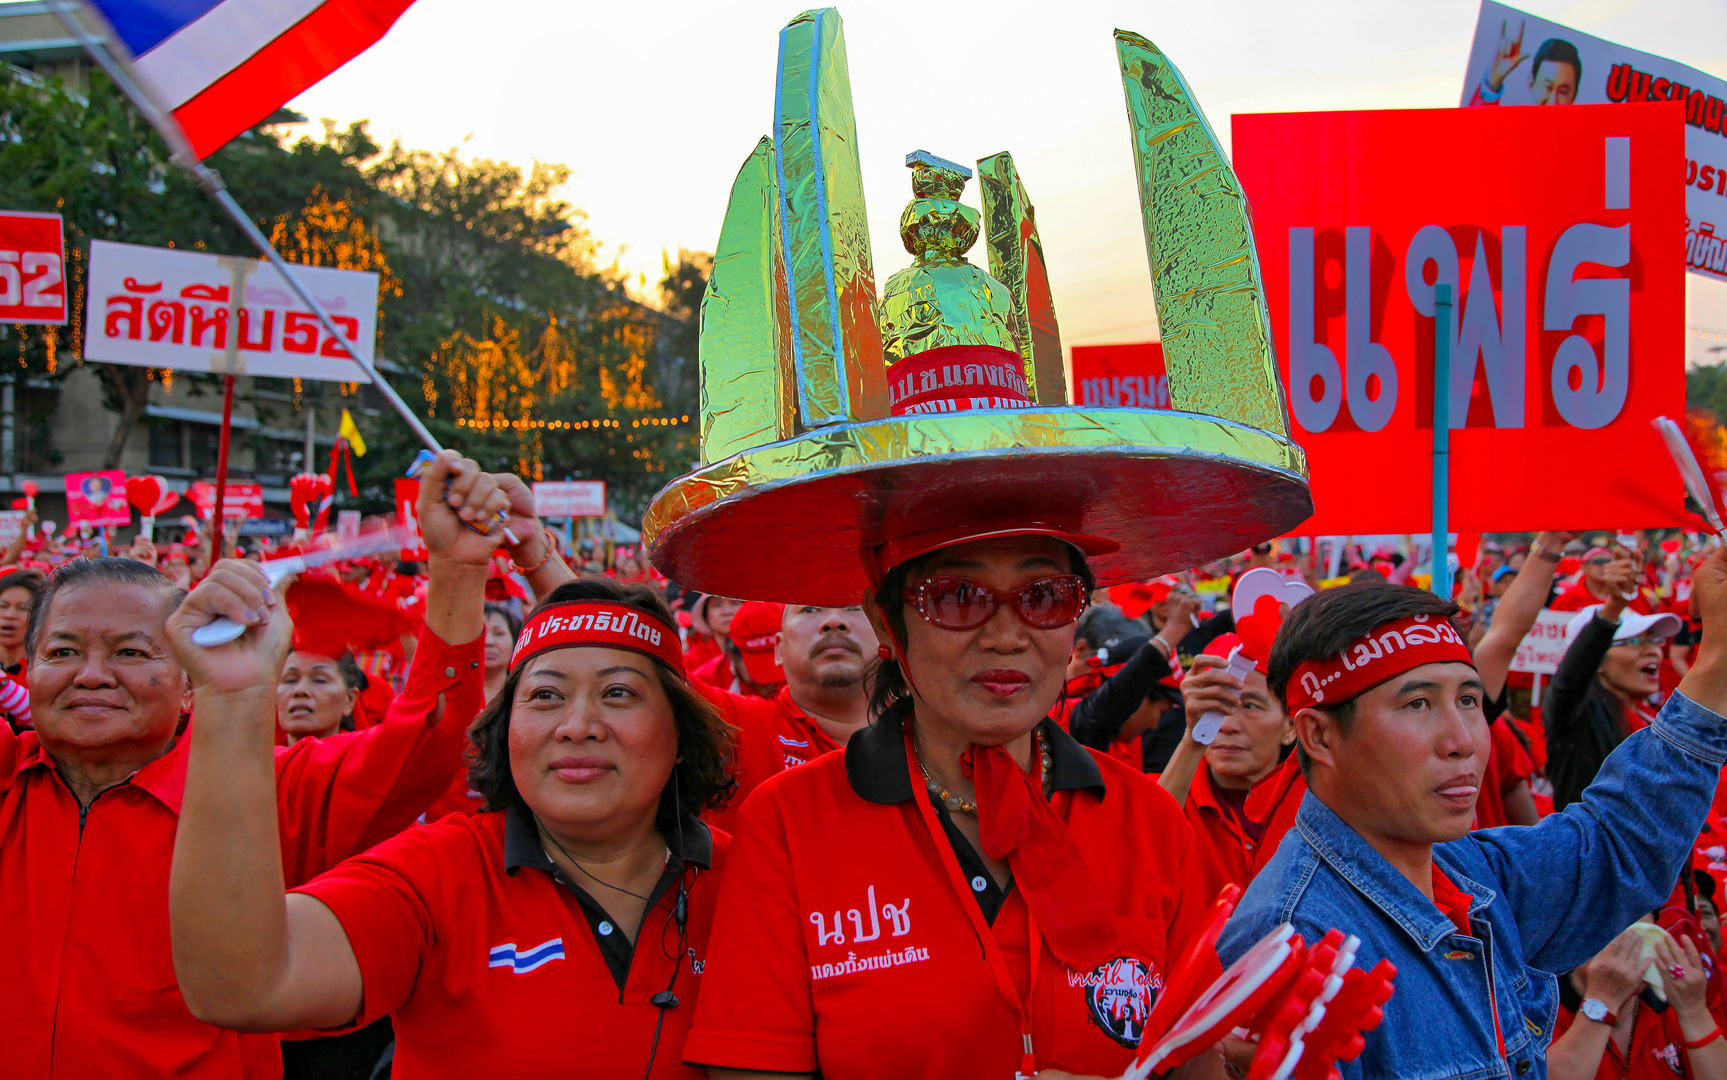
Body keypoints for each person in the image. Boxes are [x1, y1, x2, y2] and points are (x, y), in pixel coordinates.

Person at [0, 450, 501, 1079]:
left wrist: (456, 570)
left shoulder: (266, 790)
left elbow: (428, 741)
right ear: (26, 668)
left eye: (131, 651)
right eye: (63, 651)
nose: (92, 675)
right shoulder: (7, 780)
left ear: (188, 680)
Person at [685, 530, 1211, 1080]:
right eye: (958, 596)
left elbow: (1196, 1061)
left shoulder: (1151, 821)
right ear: (889, 624)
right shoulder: (788, 821)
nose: (1007, 637)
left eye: (1043, 597)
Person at [167, 574, 736, 1080]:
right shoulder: (433, 873)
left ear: (682, 734)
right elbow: (242, 984)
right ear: (504, 731)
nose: (577, 725)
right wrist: (233, 702)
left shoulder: (756, 878)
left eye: (618, 693)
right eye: (545, 695)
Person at [1219, 556, 1727, 1080]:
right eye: (1417, 704)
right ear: (1319, 736)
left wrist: (1717, 662)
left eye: (1468, 699)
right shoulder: (1293, 944)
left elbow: (1619, 845)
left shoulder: (1473, 872)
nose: (1463, 740)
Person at [1155, 630, 1295, 904]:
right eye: (1215, 705)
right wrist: (1193, 739)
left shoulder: (1319, 810)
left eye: (1251, 706)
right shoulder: (1165, 796)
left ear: (1290, 726)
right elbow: (1143, 850)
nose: (1227, 725)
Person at [1546, 597, 1682, 811]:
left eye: (1654, 640)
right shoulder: (1579, 716)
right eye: (1634, 642)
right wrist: (1614, 606)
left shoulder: (1654, 717)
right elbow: (1568, 683)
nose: (1652, 651)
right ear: (1595, 659)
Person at [1548, 922, 1727, 1080]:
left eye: (1636, 918)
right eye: (1607, 921)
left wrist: (1695, 1013)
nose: (1626, 939)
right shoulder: (1543, 1008)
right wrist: (1603, 1001)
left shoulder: (1670, 1006)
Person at [1469, 21, 1581, 106]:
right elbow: (1471, 130)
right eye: (1548, 87)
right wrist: (1492, 82)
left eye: (1563, 92)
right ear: (1531, 83)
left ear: (1574, 95)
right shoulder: (1511, 129)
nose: (1553, 102)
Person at [482, 601, 522, 704]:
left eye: (499, 633)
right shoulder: (448, 693)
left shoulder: (526, 689)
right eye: (481, 633)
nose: (489, 642)